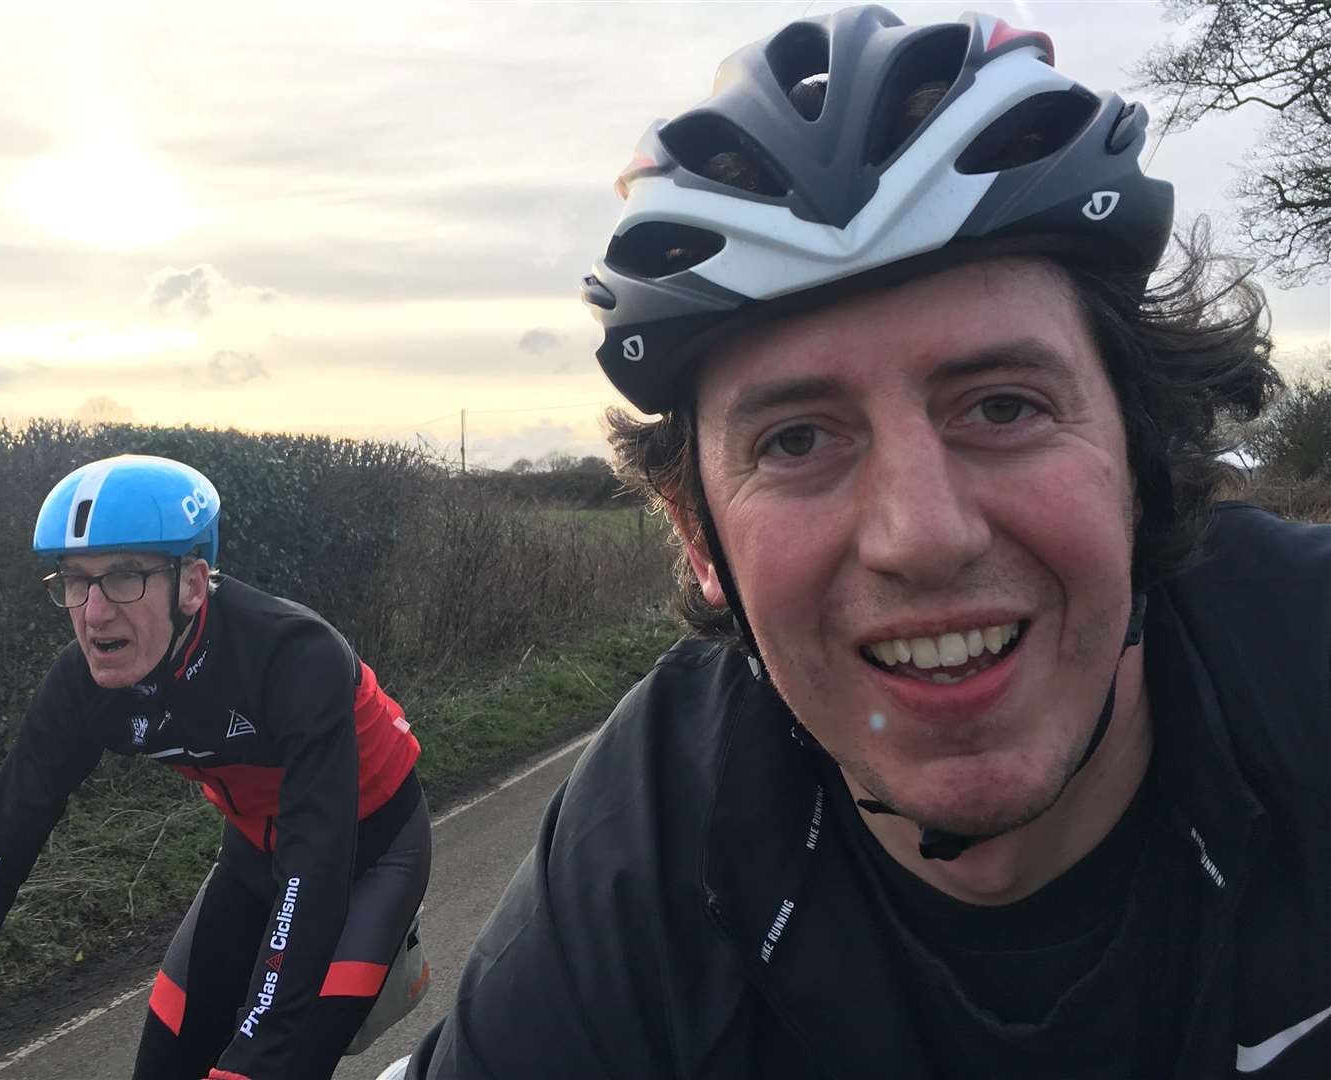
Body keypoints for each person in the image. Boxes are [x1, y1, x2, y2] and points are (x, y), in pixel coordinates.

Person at [407, 7, 1329, 1078]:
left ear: (1141, 455)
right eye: (797, 439)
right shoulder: (648, 844)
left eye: (1003, 407)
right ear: (698, 538)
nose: (922, 537)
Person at [0, 454, 431, 1080]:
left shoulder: (295, 655)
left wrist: (260, 1053)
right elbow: (1, 840)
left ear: (192, 584)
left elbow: (315, 862)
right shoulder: (82, 686)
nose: (93, 611)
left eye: (124, 577)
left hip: (368, 856)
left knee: (278, 1057)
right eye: (75, 580)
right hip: (254, 856)